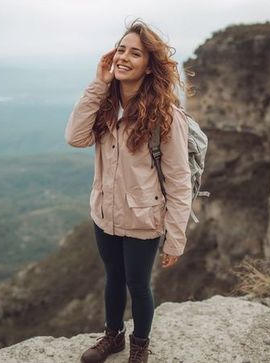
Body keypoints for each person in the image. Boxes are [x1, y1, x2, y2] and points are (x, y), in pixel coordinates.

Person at [65, 18, 193, 363]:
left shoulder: (165, 115)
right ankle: (113, 337)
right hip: (104, 213)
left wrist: (176, 236)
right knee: (113, 278)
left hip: (144, 218)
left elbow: (180, 180)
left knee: (138, 285)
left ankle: (140, 345)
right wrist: (97, 83)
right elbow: (74, 137)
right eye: (120, 49)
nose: (123, 57)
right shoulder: (105, 104)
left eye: (134, 53)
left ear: (150, 66)